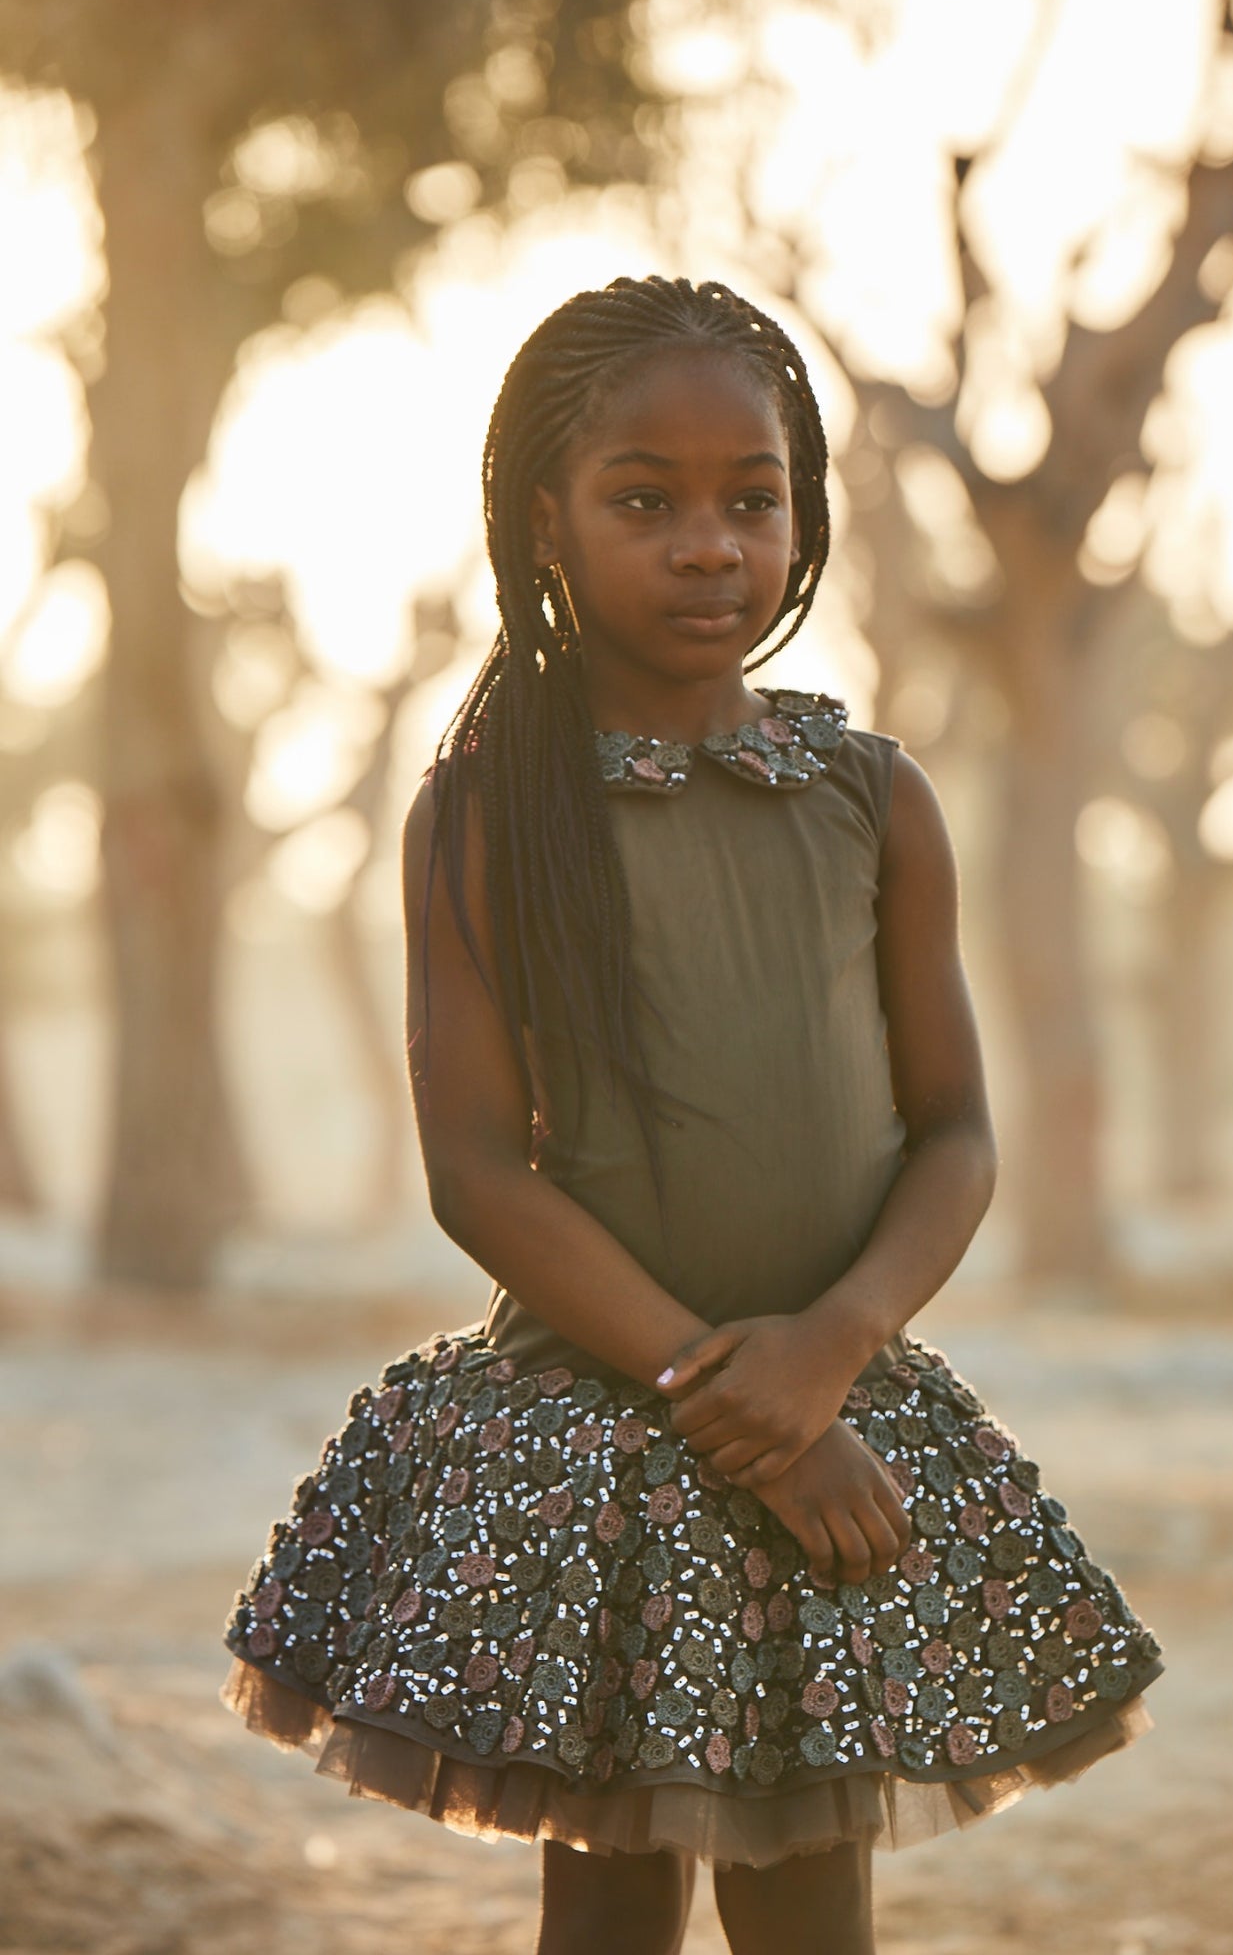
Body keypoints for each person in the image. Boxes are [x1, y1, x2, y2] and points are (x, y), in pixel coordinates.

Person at [221, 274, 1164, 1954]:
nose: (709, 544)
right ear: (546, 523)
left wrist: (831, 1351)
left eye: (752, 500)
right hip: (602, 1430)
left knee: (810, 1892)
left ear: (803, 517)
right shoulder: (490, 811)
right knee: (608, 1887)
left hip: (838, 1398)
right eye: (643, 501)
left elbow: (952, 1132)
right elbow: (475, 1175)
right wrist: (715, 1390)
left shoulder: (876, 802)